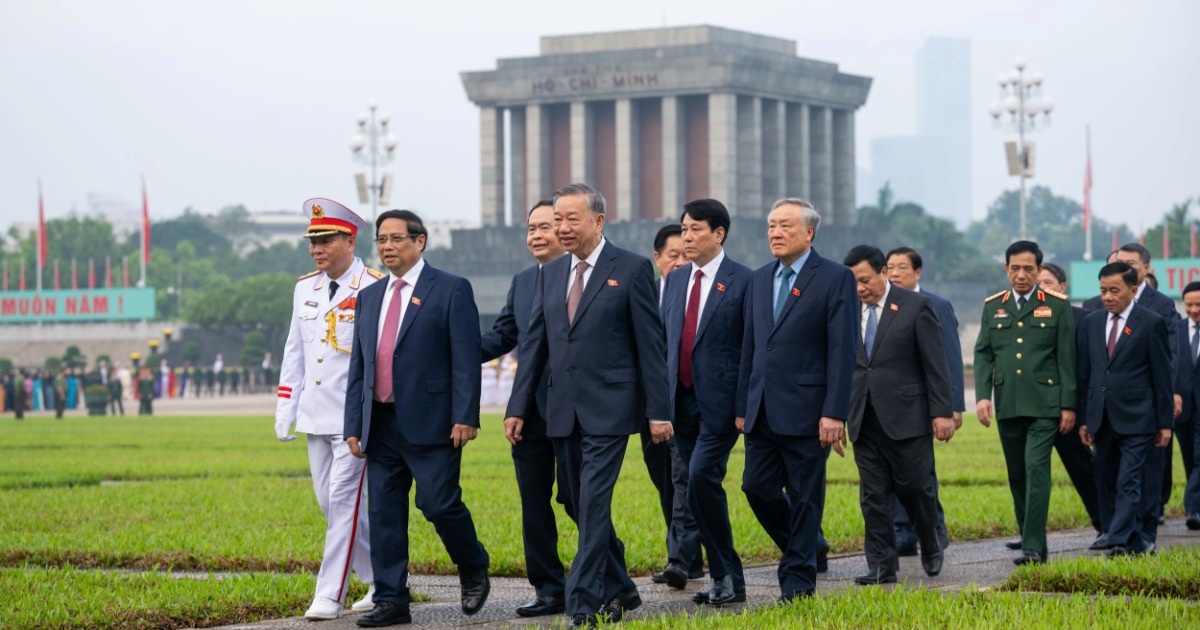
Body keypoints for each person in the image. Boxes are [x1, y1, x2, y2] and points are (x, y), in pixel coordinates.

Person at [505, 183, 671, 628]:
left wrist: (659, 411)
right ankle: (622, 588)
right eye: (557, 219)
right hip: (561, 409)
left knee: (594, 503)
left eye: (570, 219)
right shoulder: (553, 273)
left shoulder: (632, 269)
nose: (561, 227)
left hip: (611, 409)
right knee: (577, 504)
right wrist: (517, 408)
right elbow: (535, 344)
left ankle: (582, 602)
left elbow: (650, 347)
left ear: (598, 221)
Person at [345, 209, 491, 628]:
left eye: (396, 239)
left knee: (438, 504)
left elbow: (466, 358)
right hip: (382, 422)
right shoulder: (369, 296)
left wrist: (466, 415)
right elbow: (360, 365)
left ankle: (473, 563)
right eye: (382, 240)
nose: (387, 247)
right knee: (386, 515)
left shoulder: (449, 289)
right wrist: (354, 422)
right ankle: (391, 600)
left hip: (433, 420)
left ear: (420, 241)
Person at [736, 198, 856, 601]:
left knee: (806, 497)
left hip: (809, 411)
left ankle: (798, 579)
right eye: (771, 226)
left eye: (785, 225)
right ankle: (808, 545)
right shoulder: (758, 279)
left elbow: (842, 350)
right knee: (756, 487)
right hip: (762, 410)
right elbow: (750, 348)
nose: (775, 232)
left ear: (809, 232)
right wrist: (742, 406)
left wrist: (835, 412)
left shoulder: (835, 277)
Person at [275, 198, 380, 621]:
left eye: (326, 239)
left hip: (355, 418)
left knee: (342, 502)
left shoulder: (373, 285)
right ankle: (384, 578)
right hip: (315, 413)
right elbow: (294, 352)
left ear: (350, 240)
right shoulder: (306, 288)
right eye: (312, 241)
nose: (317, 248)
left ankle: (329, 594)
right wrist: (286, 408)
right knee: (328, 503)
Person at [479, 199, 571, 618]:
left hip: (576, 411)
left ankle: (612, 580)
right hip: (528, 412)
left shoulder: (585, 277)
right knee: (534, 504)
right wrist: (448, 345)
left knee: (577, 501)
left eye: (545, 227)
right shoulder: (522, 280)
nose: (536, 235)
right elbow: (502, 336)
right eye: (531, 228)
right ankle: (549, 587)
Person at [660, 199, 753, 605]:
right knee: (698, 488)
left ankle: (726, 575)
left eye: (695, 229)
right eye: (684, 229)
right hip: (678, 403)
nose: (687, 237)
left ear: (719, 233)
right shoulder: (676, 280)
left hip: (720, 404)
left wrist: (745, 405)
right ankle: (725, 578)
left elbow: (751, 347)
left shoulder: (744, 280)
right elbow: (664, 341)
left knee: (700, 479)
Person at [844, 245, 954, 585]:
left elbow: (935, 365)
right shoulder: (846, 310)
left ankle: (931, 539)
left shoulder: (916, 306)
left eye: (865, 280)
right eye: (854, 283)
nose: (860, 288)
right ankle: (881, 564)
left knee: (917, 489)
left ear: (883, 272)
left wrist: (942, 413)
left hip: (908, 417)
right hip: (864, 416)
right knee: (873, 496)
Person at [974, 240, 1076, 565]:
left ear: (1039, 270)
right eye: (1015, 268)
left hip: (1045, 404)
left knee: (1036, 468)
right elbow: (983, 353)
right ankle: (1033, 541)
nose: (1021, 275)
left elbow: (1066, 358)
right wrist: (981, 397)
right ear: (1006, 269)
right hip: (1008, 403)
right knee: (1017, 474)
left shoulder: (1057, 306)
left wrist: (1068, 405)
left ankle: (1032, 545)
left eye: (1028, 269)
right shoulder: (994, 306)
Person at [1077, 262, 1173, 556]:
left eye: (1114, 291)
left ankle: (1118, 540)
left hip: (1138, 417)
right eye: (1103, 290)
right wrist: (1084, 418)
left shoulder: (1150, 322)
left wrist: (1165, 422)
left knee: (1128, 478)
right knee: (1105, 477)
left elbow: (1162, 375)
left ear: (1133, 290)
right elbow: (1087, 373)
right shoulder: (1091, 322)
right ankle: (1126, 535)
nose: (1107, 297)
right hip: (1101, 416)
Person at [884, 247, 958, 557]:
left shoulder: (936, 304)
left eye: (902, 267)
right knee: (894, 472)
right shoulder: (878, 305)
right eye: (890, 267)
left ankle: (932, 527)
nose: (895, 273)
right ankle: (904, 532)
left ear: (918, 272)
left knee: (918, 472)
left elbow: (949, 357)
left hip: (923, 403)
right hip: (887, 404)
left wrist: (951, 407)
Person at [1034, 263, 1103, 546]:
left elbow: (1089, 369)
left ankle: (1105, 523)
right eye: (1039, 283)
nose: (1042, 288)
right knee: (1031, 473)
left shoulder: (1082, 318)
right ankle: (1031, 534)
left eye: (1048, 282)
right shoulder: (1022, 318)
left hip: (1069, 411)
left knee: (1084, 469)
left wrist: (1081, 411)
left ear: (1063, 287)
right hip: (1034, 409)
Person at [1114, 243, 1181, 535]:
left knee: (1150, 471)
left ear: (1146, 268)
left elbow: (1170, 357)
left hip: (1148, 400)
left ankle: (1146, 531)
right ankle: (1117, 530)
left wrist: (1169, 395)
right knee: (1117, 472)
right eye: (1121, 263)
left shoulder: (1162, 305)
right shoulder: (1106, 304)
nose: (1126, 268)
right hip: (1114, 403)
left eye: (1131, 263)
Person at [647, 222, 699, 584]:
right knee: (665, 483)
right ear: (657, 259)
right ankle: (687, 556)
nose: (680, 262)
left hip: (689, 405)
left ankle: (680, 559)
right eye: (672, 256)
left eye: (686, 255)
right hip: (648, 410)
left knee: (684, 481)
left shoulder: (699, 293)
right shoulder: (644, 293)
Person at [1177, 282, 1200, 531]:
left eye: (1199, 305)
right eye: (1189, 304)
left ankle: (1193, 508)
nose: (1194, 310)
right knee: (1190, 459)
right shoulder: (1176, 328)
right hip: (1181, 407)